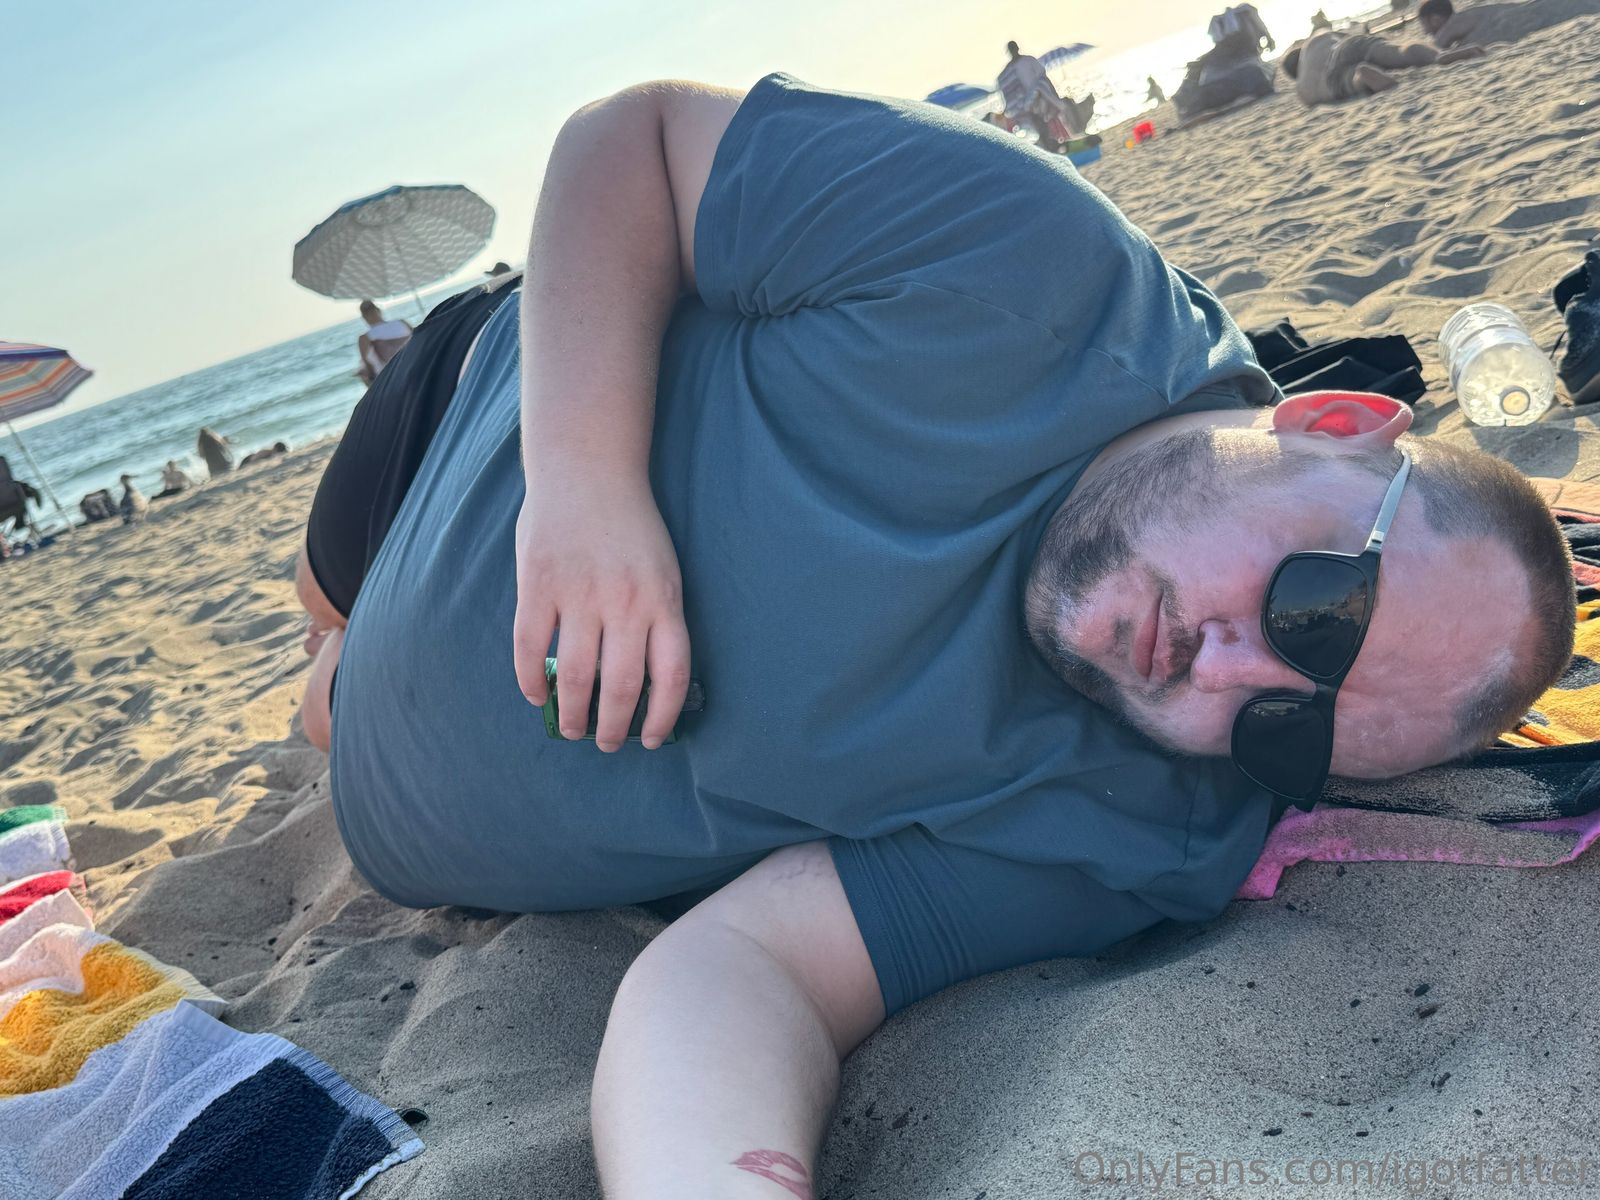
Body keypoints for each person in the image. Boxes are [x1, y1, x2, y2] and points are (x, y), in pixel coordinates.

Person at [294, 77, 1574, 1196]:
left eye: (1285, 730)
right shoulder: (1029, 263)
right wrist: (584, 491)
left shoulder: (1151, 822)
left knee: (327, 695)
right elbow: (630, 142)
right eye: (1317, 614)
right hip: (457, 423)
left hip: (382, 766)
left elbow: (751, 971)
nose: (1231, 672)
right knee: (324, 593)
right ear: (1332, 425)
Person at [1284, 29, 1485, 104]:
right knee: (1399, 52)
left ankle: (1362, 75)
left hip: (1331, 78)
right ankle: (1438, 56)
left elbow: (1316, 100)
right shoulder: (1313, 42)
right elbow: (1346, 35)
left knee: (1350, 80)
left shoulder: (1303, 89)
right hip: (1346, 45)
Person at [997, 41, 1094, 148]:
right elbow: (1038, 80)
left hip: (1039, 100)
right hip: (1034, 104)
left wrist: (1041, 93)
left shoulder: (1023, 62)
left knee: (1054, 122)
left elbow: (1041, 78)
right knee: (1048, 124)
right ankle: (1057, 144)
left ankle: (1061, 143)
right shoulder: (1018, 66)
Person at [356, 300, 414, 386]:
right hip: (416, 366)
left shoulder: (365, 338)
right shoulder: (401, 323)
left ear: (364, 317)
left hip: (392, 381)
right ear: (379, 310)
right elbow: (419, 340)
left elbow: (368, 369)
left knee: (363, 373)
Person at [0, 456, 41, 536]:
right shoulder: (1, 461)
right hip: (16, 506)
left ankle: (19, 525)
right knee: (19, 499)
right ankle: (20, 524)